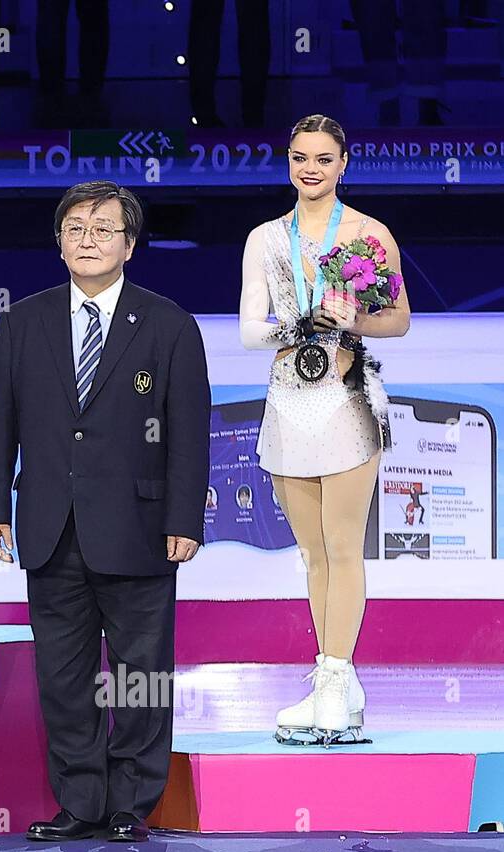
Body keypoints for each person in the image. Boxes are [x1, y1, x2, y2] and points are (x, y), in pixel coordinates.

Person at [0, 181, 210, 842]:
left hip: (139, 528)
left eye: (104, 228)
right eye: (76, 227)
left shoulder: (168, 324)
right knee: (65, 677)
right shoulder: (22, 322)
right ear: (58, 241)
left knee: (140, 676)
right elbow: (2, 423)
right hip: (49, 526)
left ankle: (130, 803)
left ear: (130, 245)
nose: (88, 239)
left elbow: (188, 433)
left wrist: (184, 520)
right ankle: (80, 803)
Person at [239, 113, 410, 745]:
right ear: (288, 162)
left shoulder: (369, 235)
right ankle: (335, 675)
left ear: (343, 165)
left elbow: (399, 320)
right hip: (287, 402)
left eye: (323, 159)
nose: (310, 169)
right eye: (299, 157)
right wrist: (304, 320)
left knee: (343, 547)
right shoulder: (265, 239)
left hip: (347, 399)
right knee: (311, 553)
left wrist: (352, 320)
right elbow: (250, 331)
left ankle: (335, 678)